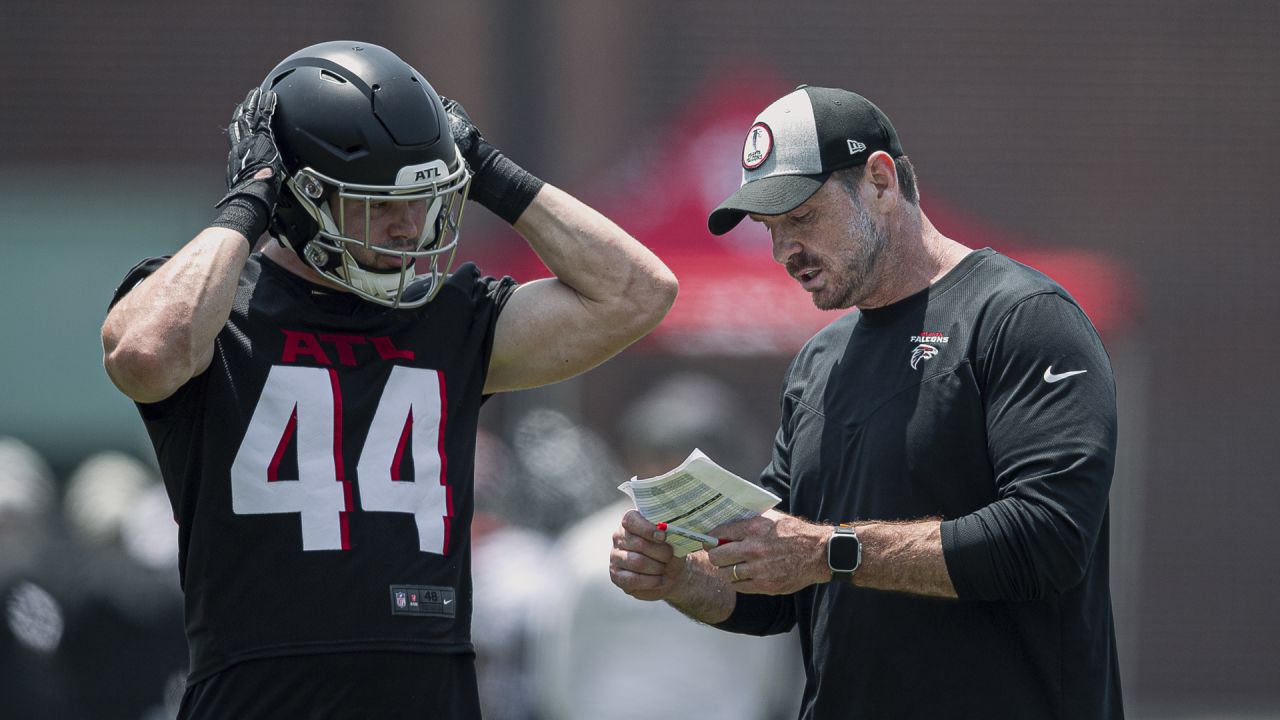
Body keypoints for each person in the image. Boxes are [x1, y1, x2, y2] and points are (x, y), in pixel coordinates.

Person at [100, 41, 677, 718]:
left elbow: (640, 292)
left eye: (423, 199)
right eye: (378, 205)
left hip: (429, 690)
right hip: (262, 693)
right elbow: (145, 356)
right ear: (296, 196)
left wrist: (486, 168)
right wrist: (248, 200)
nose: (411, 226)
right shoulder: (214, 308)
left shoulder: (447, 317)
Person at [608, 85, 1122, 719]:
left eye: (799, 218)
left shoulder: (1022, 318)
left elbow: (1048, 539)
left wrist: (828, 551)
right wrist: (682, 579)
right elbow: (779, 593)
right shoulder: (818, 362)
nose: (782, 253)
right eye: (770, 230)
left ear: (880, 181)